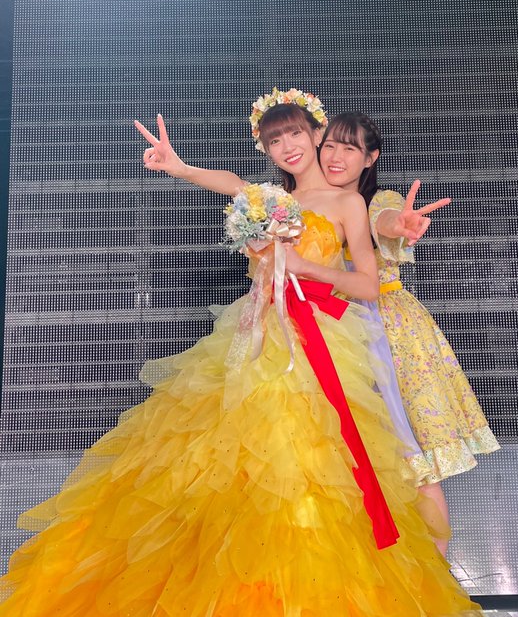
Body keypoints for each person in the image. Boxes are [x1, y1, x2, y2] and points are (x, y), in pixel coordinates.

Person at [0, 90, 485, 616]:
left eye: (295, 133)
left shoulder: (349, 203)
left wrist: (307, 267)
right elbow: (230, 183)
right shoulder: (265, 201)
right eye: (274, 141)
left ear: (317, 134)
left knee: (313, 462)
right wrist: (180, 168)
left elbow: (367, 283)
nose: (287, 146)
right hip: (258, 335)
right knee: (227, 460)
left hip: (321, 340)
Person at [319, 111, 501, 556]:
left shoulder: (378, 200)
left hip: (387, 331)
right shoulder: (303, 204)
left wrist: (397, 225)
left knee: (414, 456)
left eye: (349, 148)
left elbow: (385, 220)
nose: (336, 156)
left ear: (370, 158)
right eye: (330, 146)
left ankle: (436, 577)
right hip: (324, 329)